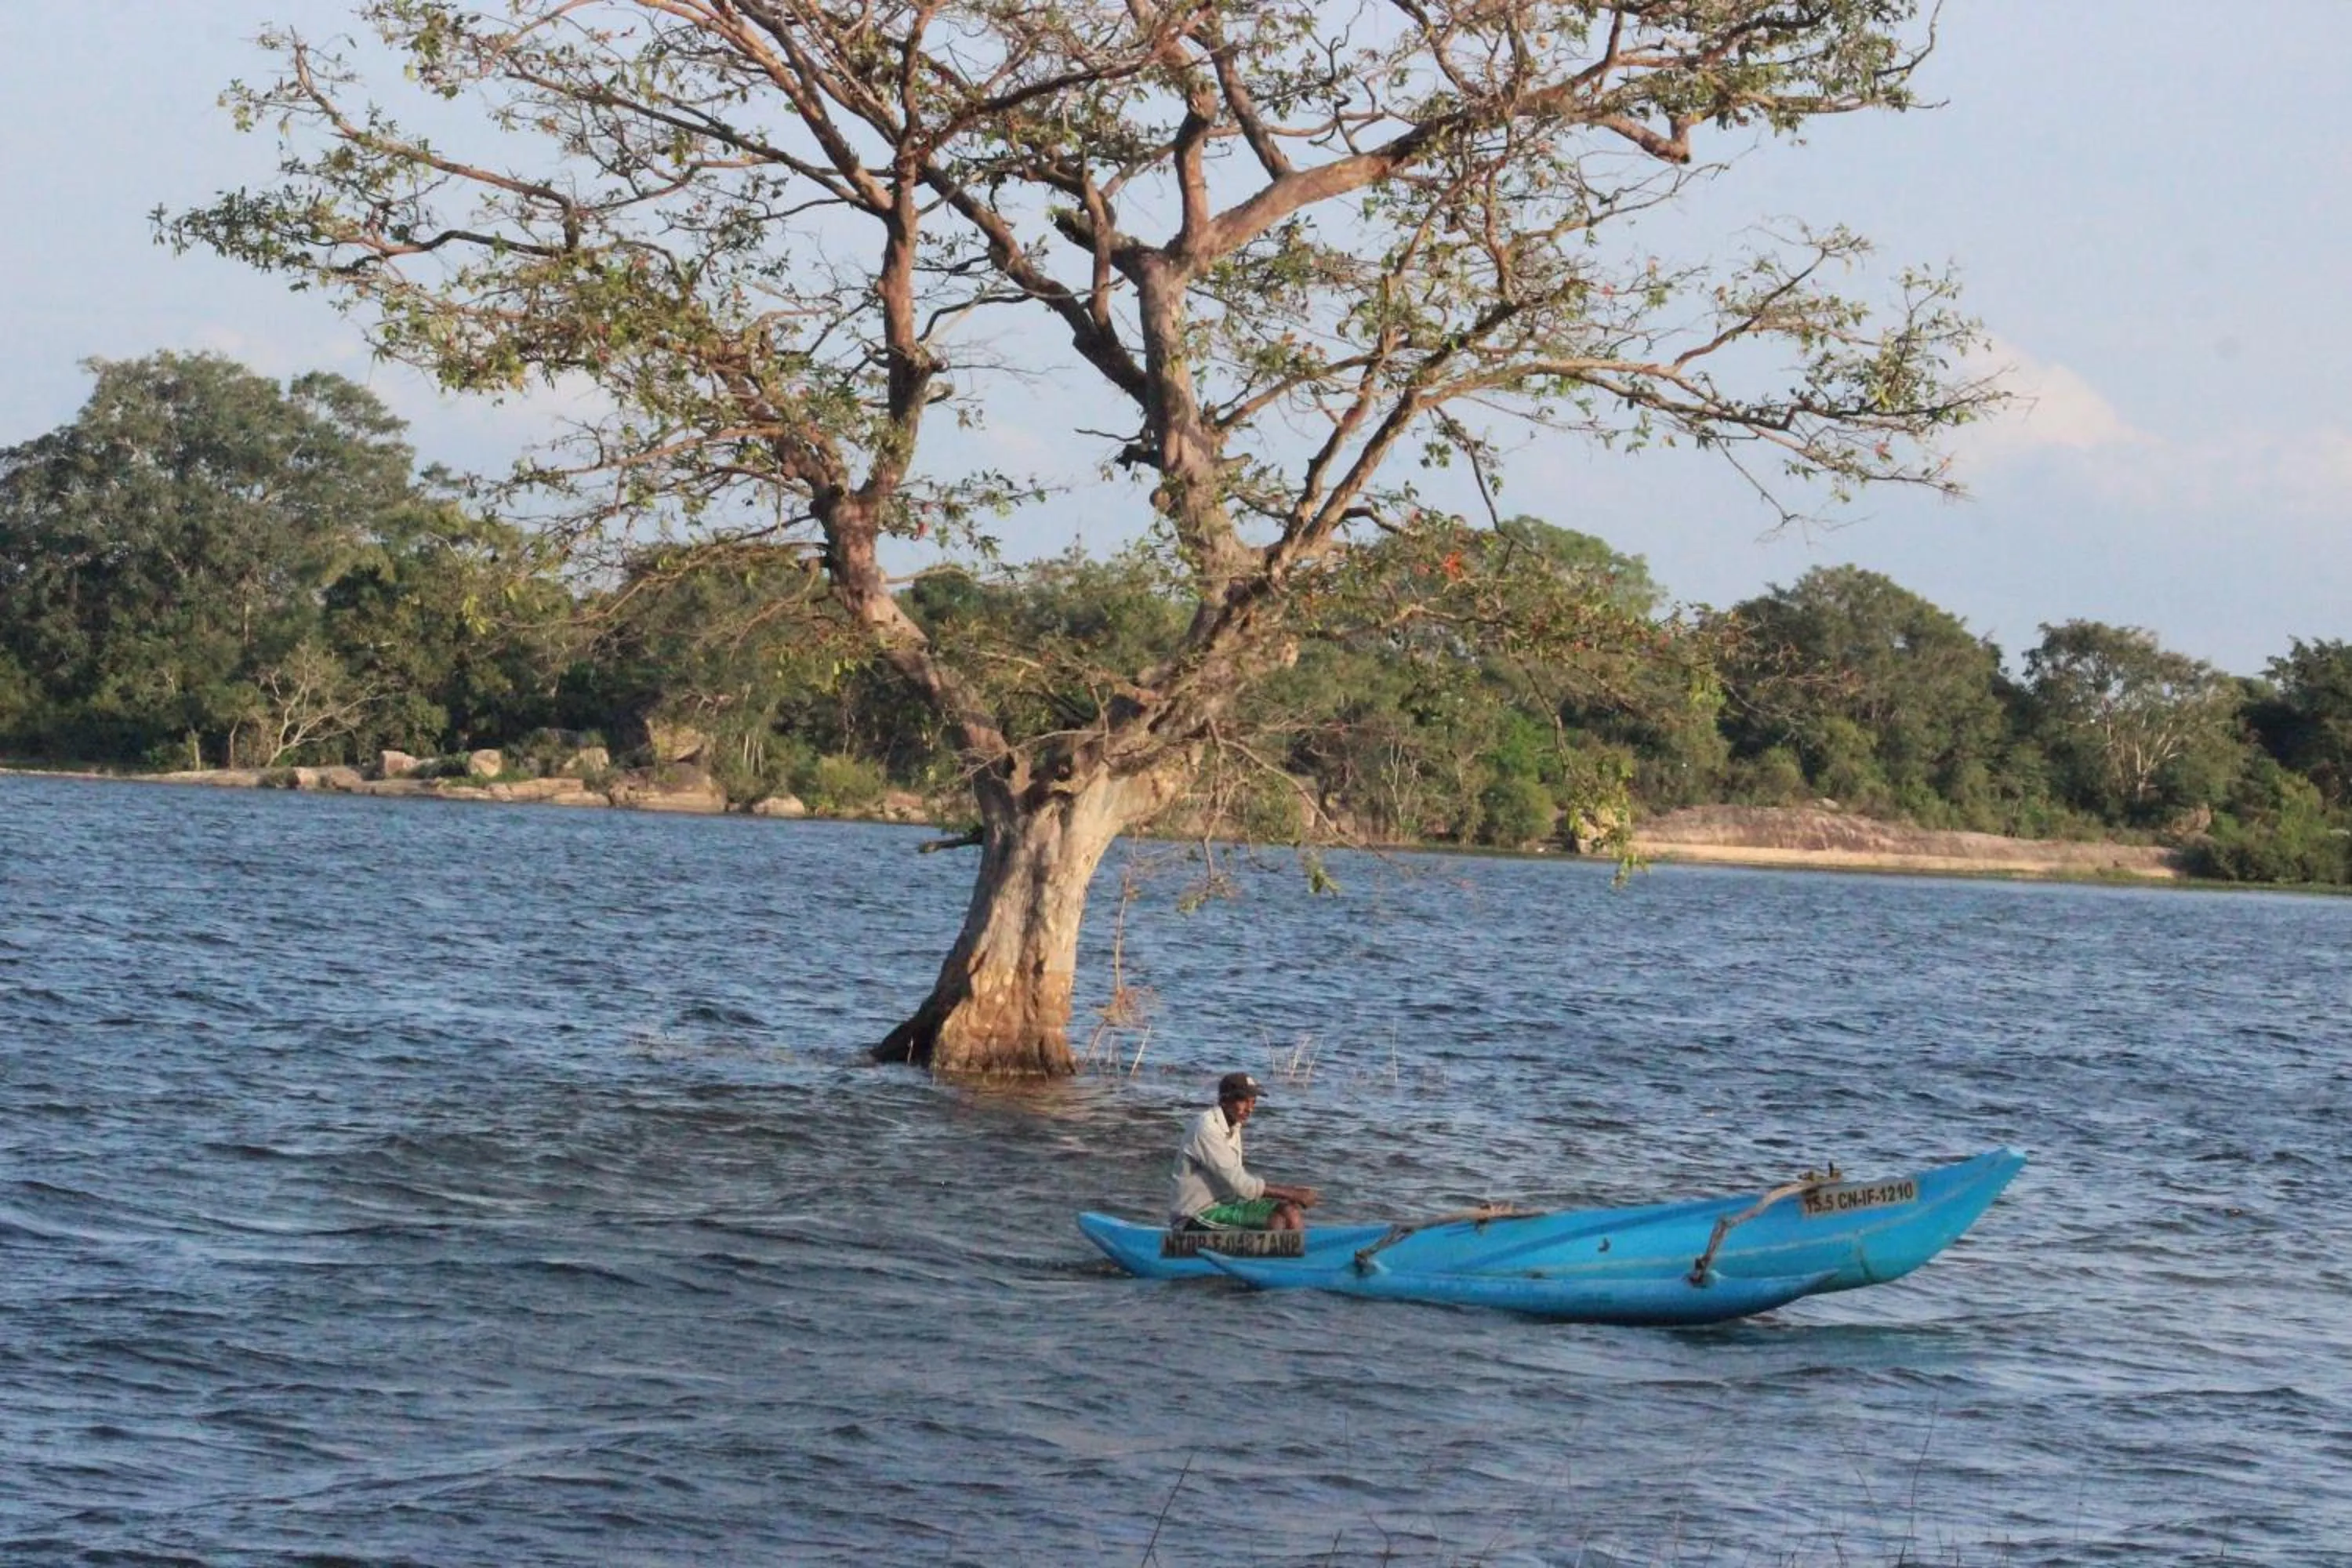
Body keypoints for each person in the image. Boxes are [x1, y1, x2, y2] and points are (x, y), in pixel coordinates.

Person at [1170, 1071, 1321, 1231]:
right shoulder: (1206, 1129)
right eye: (1243, 1101)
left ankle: (1292, 1254)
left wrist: (1291, 1197)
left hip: (1227, 1205)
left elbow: (1239, 1186)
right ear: (1224, 1100)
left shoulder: (1233, 1125)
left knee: (1290, 1212)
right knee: (1276, 1222)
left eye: (1253, 1102)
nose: (1250, 1109)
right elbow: (1242, 1185)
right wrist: (1292, 1193)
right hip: (1197, 1214)